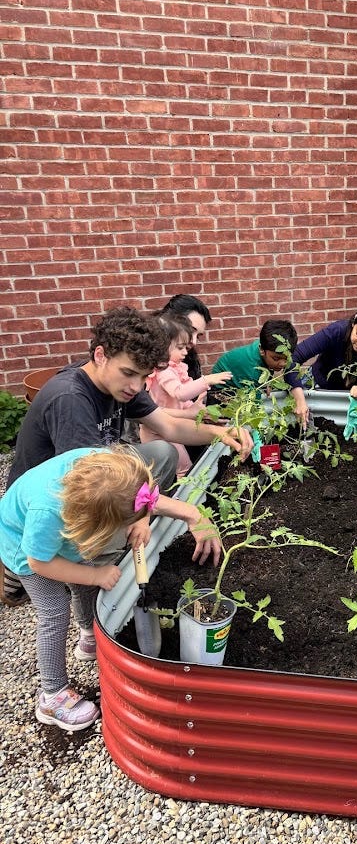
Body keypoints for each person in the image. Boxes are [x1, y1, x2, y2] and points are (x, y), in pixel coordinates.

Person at [2, 307, 252, 607]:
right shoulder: (70, 400)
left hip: (101, 473)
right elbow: (98, 489)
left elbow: (168, 426)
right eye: (129, 373)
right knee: (107, 530)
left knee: (161, 453)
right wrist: (188, 512)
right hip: (55, 502)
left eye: (144, 376)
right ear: (100, 355)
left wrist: (220, 433)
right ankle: (88, 579)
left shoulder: (121, 385)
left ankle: (131, 529)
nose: (136, 385)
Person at [0, 446, 222, 732]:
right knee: (54, 611)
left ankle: (88, 637)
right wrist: (95, 576)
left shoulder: (112, 470)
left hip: (64, 534)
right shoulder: (48, 513)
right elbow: (40, 562)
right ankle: (52, 696)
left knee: (84, 578)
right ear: (99, 526)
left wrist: (188, 516)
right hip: (24, 548)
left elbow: (146, 496)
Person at [140, 313, 233, 477]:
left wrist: (201, 413)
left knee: (182, 466)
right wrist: (206, 380)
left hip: (169, 426)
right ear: (163, 347)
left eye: (186, 348)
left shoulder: (174, 368)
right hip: (157, 432)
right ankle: (180, 495)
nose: (185, 352)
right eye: (180, 347)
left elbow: (182, 403)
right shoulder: (164, 372)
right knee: (182, 467)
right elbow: (180, 394)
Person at [211, 319, 309, 427]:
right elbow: (253, 408)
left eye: (286, 358)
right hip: (221, 391)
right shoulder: (253, 369)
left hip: (240, 380)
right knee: (227, 427)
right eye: (276, 358)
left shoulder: (267, 347)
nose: (282, 363)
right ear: (262, 350)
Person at [292, 303, 357, 393]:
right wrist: (298, 396)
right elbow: (295, 356)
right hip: (317, 383)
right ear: (354, 322)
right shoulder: (336, 331)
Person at [160, 294, 211, 381]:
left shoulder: (189, 360)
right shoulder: (144, 356)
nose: (194, 341)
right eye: (190, 330)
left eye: (198, 336)